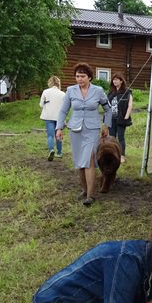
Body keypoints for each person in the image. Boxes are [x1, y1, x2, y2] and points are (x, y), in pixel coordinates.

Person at [55, 63, 111, 206]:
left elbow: (108, 109)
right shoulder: (70, 90)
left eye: (82, 76)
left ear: (89, 77)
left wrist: (106, 125)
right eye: (77, 76)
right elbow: (63, 110)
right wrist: (59, 128)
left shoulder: (98, 91)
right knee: (80, 162)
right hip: (75, 130)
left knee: (89, 159)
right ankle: (84, 190)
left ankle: (91, 195)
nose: (79, 79)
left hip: (92, 130)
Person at [107, 73, 133, 163]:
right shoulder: (111, 92)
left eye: (117, 80)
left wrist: (126, 117)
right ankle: (113, 154)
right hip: (111, 118)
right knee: (111, 137)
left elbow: (130, 105)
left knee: (121, 137)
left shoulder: (127, 92)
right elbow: (107, 105)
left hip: (121, 118)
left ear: (121, 81)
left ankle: (122, 155)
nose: (115, 81)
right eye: (113, 80)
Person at [39, 75, 66, 161]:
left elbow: (41, 104)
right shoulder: (63, 94)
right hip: (59, 118)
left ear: (50, 83)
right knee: (58, 135)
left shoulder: (46, 92)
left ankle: (51, 150)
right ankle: (59, 152)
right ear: (58, 83)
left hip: (48, 116)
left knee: (50, 135)